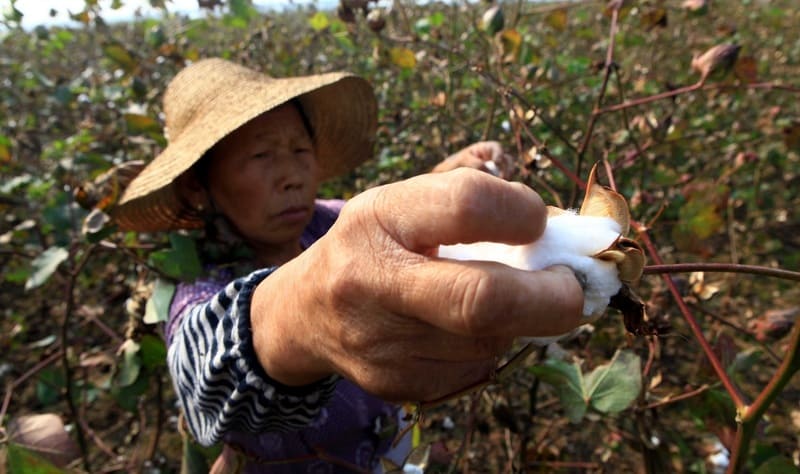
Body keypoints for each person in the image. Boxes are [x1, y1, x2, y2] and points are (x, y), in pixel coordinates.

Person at [112, 58, 584, 473]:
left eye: (300, 150)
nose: (291, 175)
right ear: (198, 186)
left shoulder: (322, 222)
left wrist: (446, 179)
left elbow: (373, 232)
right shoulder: (197, 285)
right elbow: (199, 372)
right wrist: (303, 315)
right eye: (260, 155)